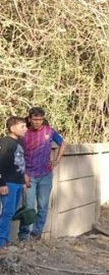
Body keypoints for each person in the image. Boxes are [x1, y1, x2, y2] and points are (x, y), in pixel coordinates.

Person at [19, 107, 66, 241]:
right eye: (35, 119)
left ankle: (37, 234)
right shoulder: (24, 133)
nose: (38, 122)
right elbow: (17, 153)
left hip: (45, 174)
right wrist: (23, 173)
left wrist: (57, 159)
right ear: (29, 119)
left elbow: (63, 143)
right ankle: (23, 235)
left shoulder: (49, 131)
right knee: (28, 206)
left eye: (40, 119)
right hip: (29, 175)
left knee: (43, 205)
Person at [0, 116, 30, 250]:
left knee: (11, 213)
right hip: (8, 184)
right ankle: (1, 243)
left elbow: (21, 164)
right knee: (7, 213)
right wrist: (2, 184)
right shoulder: (5, 142)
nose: (25, 129)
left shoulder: (20, 142)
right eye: (22, 126)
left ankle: (5, 240)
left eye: (25, 126)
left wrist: (23, 180)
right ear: (12, 128)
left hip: (18, 183)